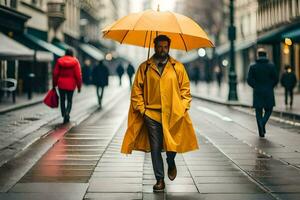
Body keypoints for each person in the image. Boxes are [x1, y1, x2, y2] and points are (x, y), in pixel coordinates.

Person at [121, 35, 199, 192]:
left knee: (172, 145)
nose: (162, 50)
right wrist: (143, 110)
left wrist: (183, 107)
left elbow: (185, 90)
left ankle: (171, 161)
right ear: (154, 46)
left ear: (169, 47)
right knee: (155, 147)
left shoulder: (178, 67)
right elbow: (136, 91)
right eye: (159, 46)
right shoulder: (145, 67)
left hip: (173, 114)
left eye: (165, 47)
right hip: (151, 114)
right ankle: (159, 179)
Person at [247, 48, 278, 137]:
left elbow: (249, 80)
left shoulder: (253, 66)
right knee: (269, 109)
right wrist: (270, 86)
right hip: (268, 91)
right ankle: (263, 123)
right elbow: (276, 79)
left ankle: (261, 129)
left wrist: (255, 86)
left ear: (258, 55)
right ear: (266, 55)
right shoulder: (271, 66)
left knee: (258, 111)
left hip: (257, 92)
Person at [53, 48, 82, 124]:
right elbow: (78, 75)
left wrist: (54, 84)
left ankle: (63, 113)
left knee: (62, 100)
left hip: (61, 84)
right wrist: (79, 86)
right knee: (69, 100)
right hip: (71, 84)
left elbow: (55, 74)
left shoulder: (59, 61)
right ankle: (67, 113)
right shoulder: (75, 62)